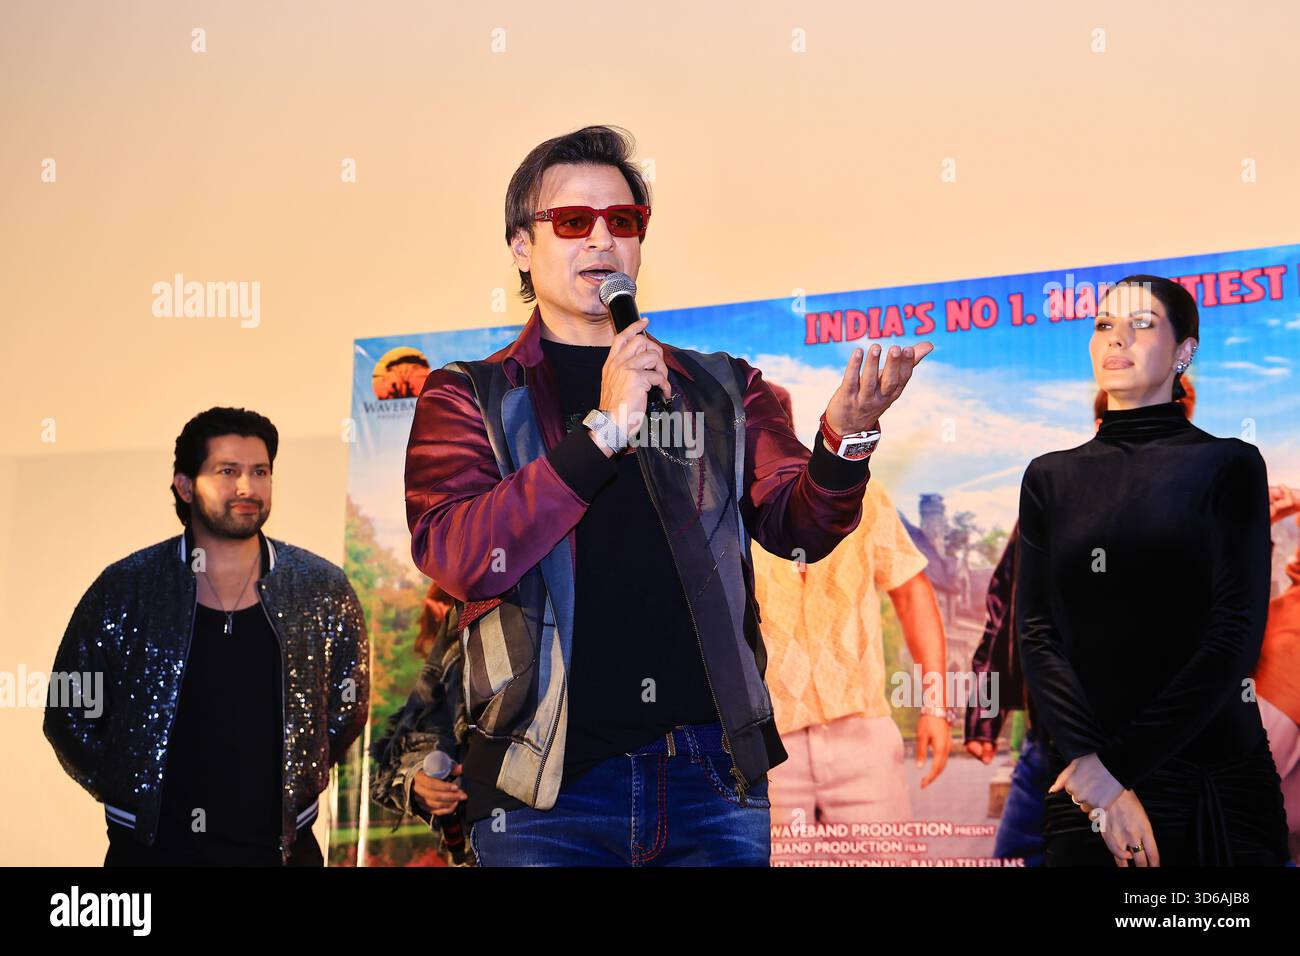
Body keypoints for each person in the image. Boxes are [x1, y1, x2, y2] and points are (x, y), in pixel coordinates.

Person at [396, 125, 932, 866]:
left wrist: (845, 440)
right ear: (522, 246)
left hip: (710, 779)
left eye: (624, 222)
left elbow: (797, 529)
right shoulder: (471, 395)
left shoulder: (718, 388)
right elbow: (461, 555)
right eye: (573, 223)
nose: (602, 241)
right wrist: (603, 434)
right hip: (544, 790)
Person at [1016, 274, 1289, 866]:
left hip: (1210, 778)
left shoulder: (1229, 464)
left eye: (1141, 325)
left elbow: (1233, 637)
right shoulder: (1049, 477)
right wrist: (1096, 772)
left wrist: (1116, 770)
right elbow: (1037, 633)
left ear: (1185, 351)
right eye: (1104, 326)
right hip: (1085, 782)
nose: (1118, 340)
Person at [43, 407, 370, 866]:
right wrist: (129, 790)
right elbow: (67, 708)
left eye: (260, 472)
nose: (246, 487)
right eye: (227, 471)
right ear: (184, 485)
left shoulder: (321, 589)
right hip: (151, 856)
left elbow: (347, 710)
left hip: (282, 854)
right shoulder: (127, 589)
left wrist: (299, 783)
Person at [752, 382, 950, 848]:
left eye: (769, 424)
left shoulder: (862, 495)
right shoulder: (718, 511)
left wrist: (937, 707)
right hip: (765, 746)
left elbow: (912, 594)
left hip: (862, 737)